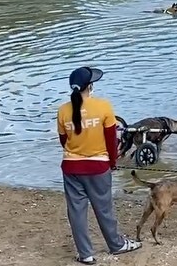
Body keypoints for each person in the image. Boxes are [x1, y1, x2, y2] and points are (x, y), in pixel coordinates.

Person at [56, 66, 141, 264]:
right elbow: (111, 140)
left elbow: (63, 140)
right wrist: (112, 163)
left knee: (76, 211)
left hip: (71, 168)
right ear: (90, 87)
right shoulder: (104, 107)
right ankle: (116, 245)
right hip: (98, 168)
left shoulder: (62, 111)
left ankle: (85, 254)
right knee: (104, 208)